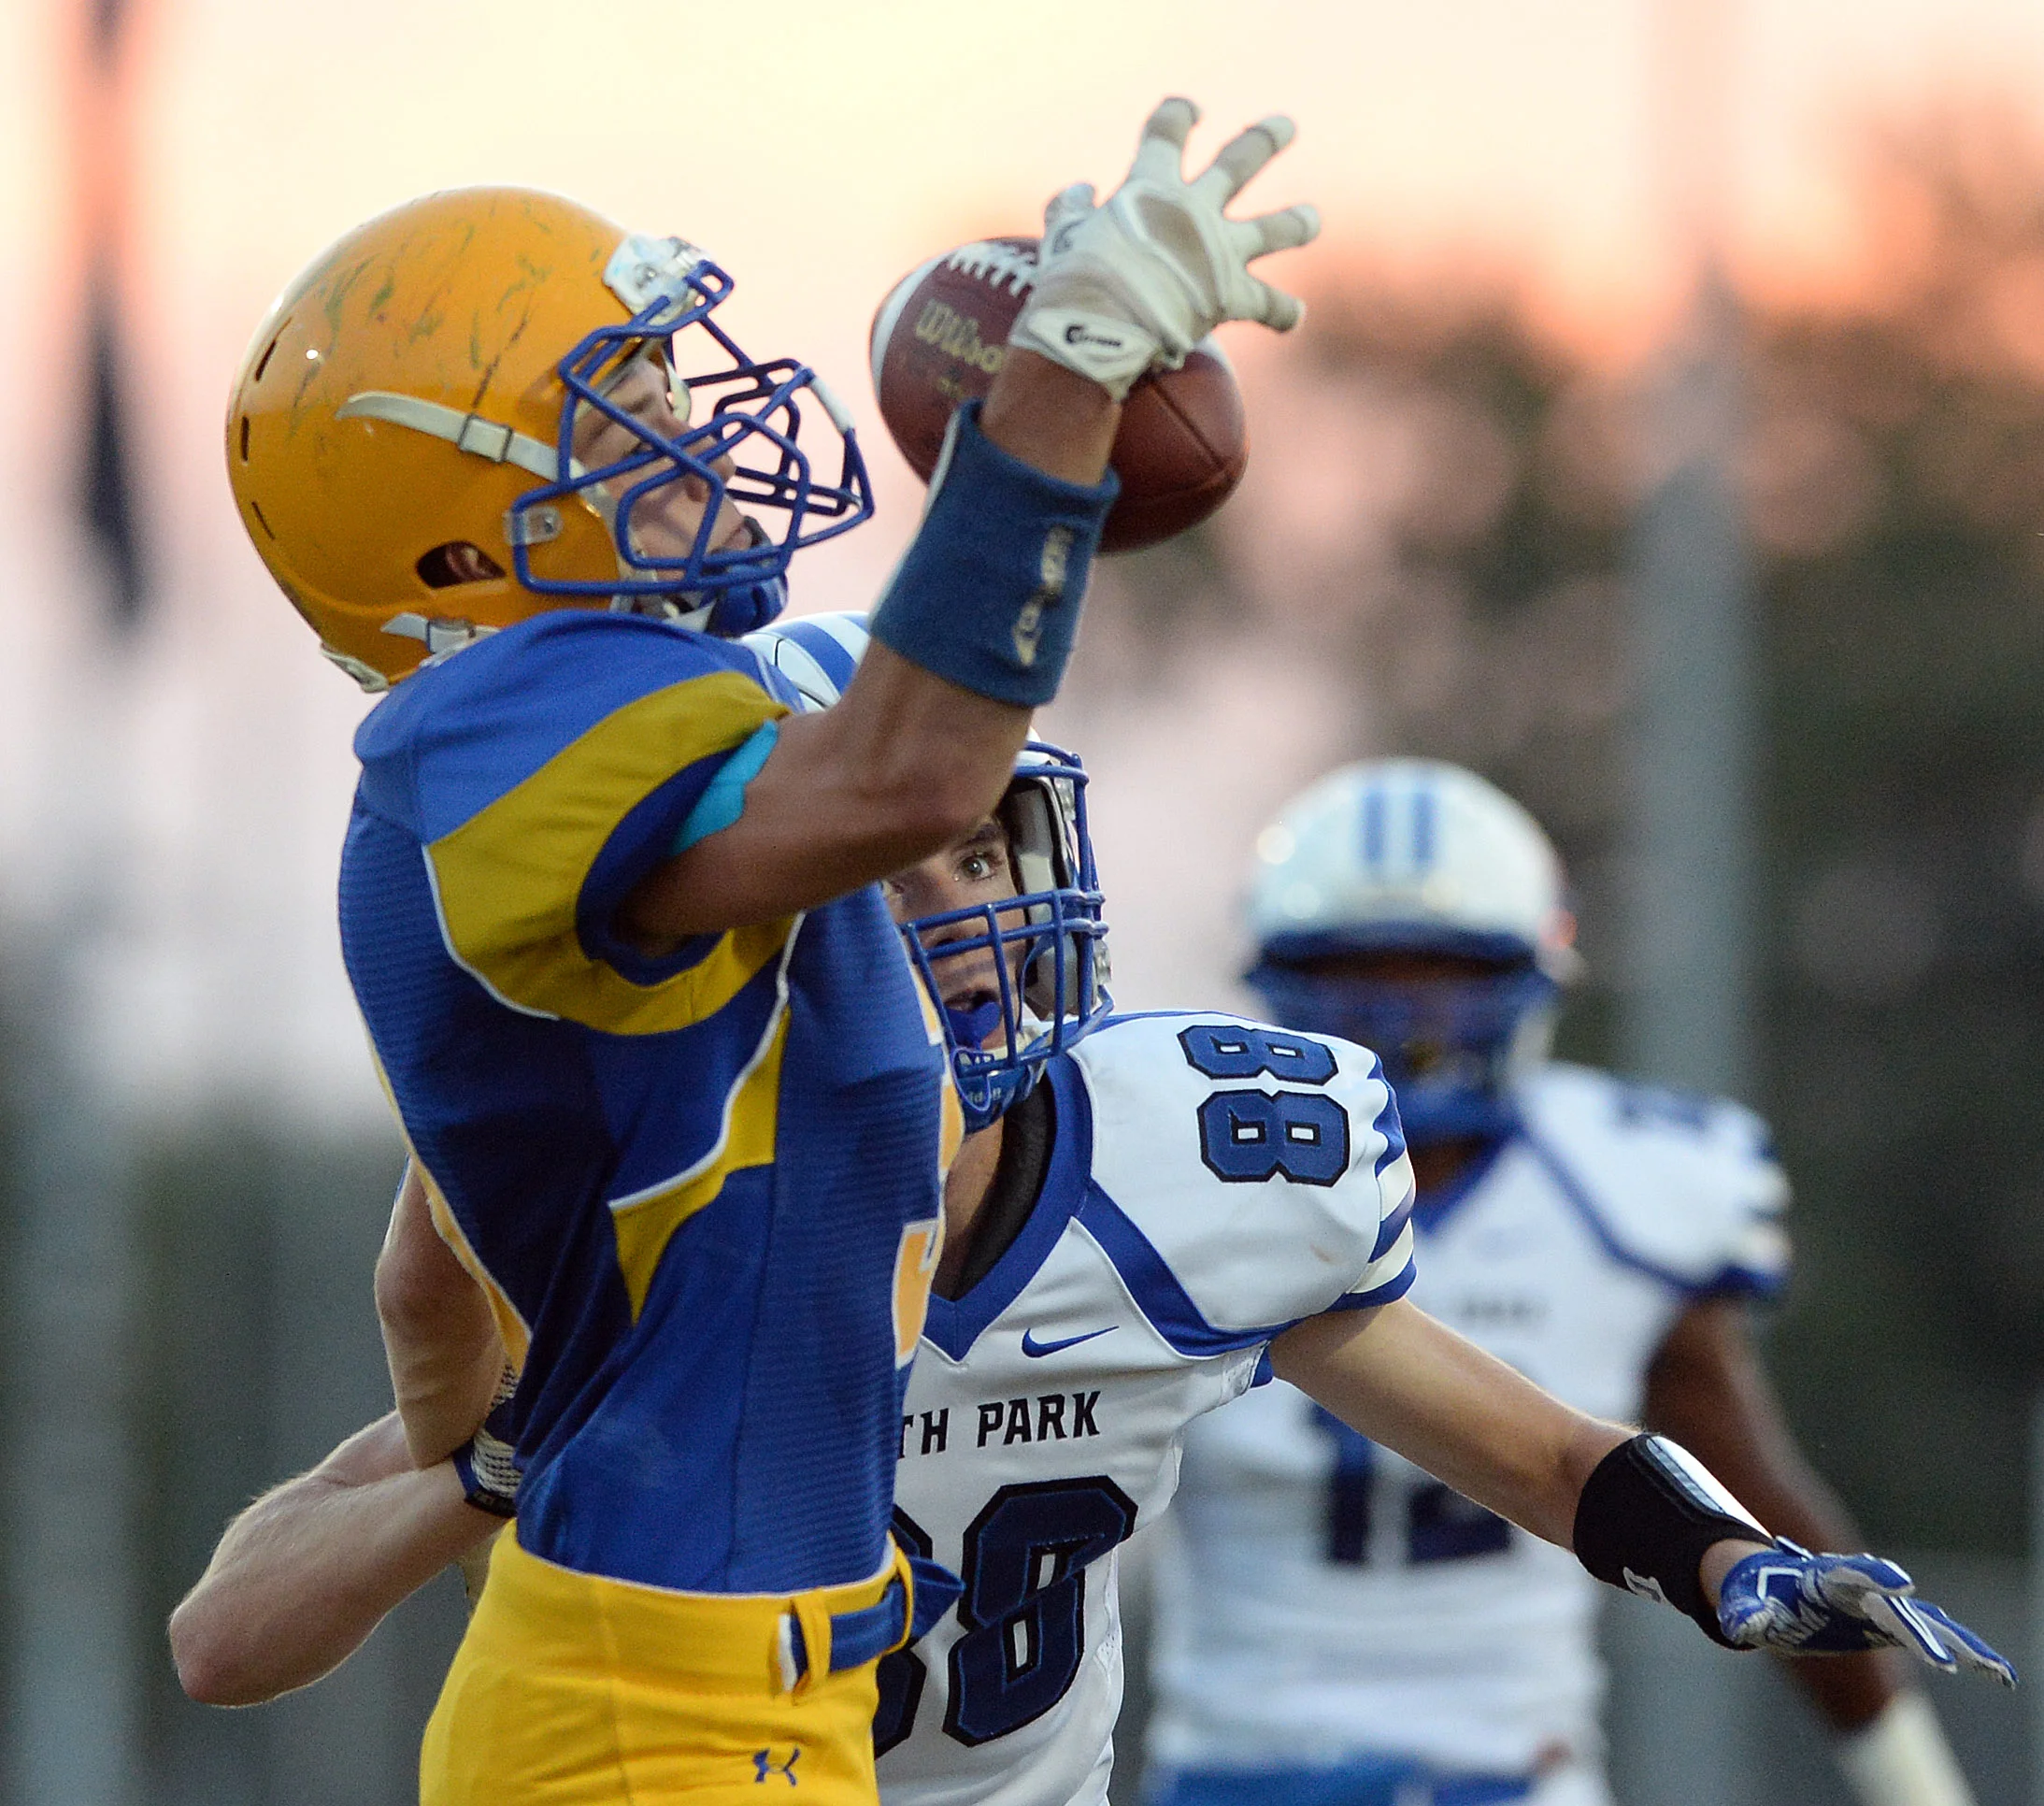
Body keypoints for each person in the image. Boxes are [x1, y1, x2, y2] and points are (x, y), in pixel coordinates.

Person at [173, 651, 2009, 1806]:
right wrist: (510, 1460)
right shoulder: (680, 1233)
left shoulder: (1186, 1164)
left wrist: (1715, 1563)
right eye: (886, 879)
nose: (952, 913)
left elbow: (1529, 1442)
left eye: (975, 857)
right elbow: (223, 1639)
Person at [222, 96, 1323, 1806]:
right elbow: (905, 771)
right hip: (645, 1719)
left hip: (755, 1697)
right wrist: (1054, 393)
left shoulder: (623, 723)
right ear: (447, 543)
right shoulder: (487, 743)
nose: (687, 441)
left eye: (667, 392)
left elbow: (895, 753)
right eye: (623, 414)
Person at [1143, 758, 1987, 1806]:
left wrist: (1918, 1787)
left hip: (1508, 1779)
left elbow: (1754, 1507)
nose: (1404, 1013)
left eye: (1442, 973)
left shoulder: (1623, 1190)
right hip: (1235, 1776)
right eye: (1360, 965)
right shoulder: (1174, 1185)